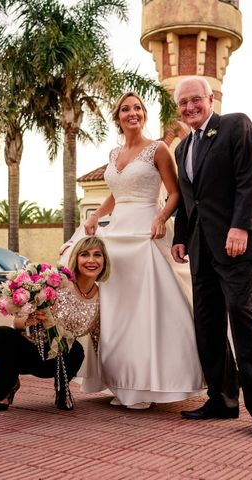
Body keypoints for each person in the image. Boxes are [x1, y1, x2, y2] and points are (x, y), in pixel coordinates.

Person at [81, 92, 205, 408]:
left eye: (137, 108)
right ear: (118, 117)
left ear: (144, 115)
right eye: (125, 109)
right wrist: (97, 214)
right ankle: (121, 381)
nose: (132, 113)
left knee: (145, 308)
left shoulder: (159, 149)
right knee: (115, 308)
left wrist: (162, 217)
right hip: (116, 235)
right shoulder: (113, 153)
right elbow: (116, 192)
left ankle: (148, 385)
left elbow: (176, 193)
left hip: (146, 231)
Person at [170, 76, 252, 435]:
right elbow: (189, 201)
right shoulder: (182, 148)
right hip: (202, 250)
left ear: (211, 98)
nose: (190, 107)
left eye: (195, 100)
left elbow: (251, 179)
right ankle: (222, 400)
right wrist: (181, 237)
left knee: (242, 321)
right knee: (208, 326)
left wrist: (241, 227)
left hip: (238, 244)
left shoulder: (235, 125)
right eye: (183, 103)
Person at [0, 236, 110, 411]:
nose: (91, 260)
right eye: (84, 255)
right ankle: (7, 388)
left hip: (59, 359)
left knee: (77, 350)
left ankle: (62, 391)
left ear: (104, 261)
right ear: (76, 259)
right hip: (28, 348)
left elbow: (100, 337)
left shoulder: (104, 298)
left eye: (97, 255)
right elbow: (17, 322)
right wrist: (26, 320)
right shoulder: (58, 283)